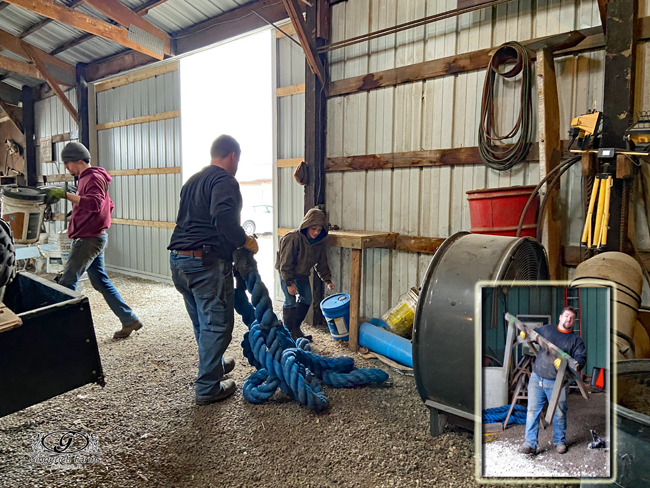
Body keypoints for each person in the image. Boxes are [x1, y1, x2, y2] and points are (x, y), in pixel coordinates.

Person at [168, 135, 258, 406]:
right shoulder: (224, 180)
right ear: (232, 156)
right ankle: (208, 387)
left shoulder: (193, 181)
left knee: (202, 320)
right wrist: (244, 241)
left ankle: (215, 364)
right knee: (217, 324)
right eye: (238, 161)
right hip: (204, 263)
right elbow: (223, 218)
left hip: (178, 261)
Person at [46, 142, 143, 339]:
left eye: (67, 162)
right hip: (93, 235)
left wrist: (66, 196)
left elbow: (95, 203)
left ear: (78, 160)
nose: (66, 167)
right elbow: (108, 205)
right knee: (100, 282)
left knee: (67, 282)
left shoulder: (93, 178)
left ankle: (64, 334)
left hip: (89, 239)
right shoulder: (86, 179)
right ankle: (129, 319)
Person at [518, 306, 586, 455]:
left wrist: (570, 363)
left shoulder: (576, 340)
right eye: (566, 316)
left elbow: (581, 359)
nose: (568, 319)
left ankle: (560, 441)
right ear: (560, 317)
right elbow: (533, 335)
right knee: (532, 411)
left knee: (559, 413)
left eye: (572, 318)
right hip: (537, 377)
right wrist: (525, 334)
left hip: (558, 382)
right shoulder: (548, 330)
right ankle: (530, 444)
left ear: (573, 321)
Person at [275, 207, 335, 342]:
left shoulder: (318, 243)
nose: (316, 232)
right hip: (287, 272)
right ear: (307, 226)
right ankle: (288, 333)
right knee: (290, 300)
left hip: (302, 274)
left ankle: (296, 328)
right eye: (313, 228)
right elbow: (285, 263)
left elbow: (322, 262)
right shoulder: (292, 238)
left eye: (319, 230)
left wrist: (328, 280)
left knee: (307, 298)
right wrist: (289, 283)